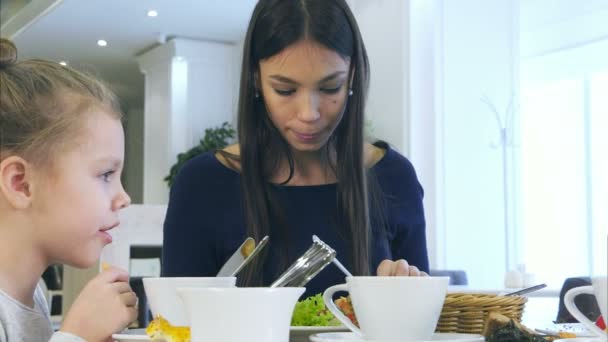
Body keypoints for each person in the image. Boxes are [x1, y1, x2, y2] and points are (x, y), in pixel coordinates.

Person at [162, 0, 429, 297]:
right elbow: (175, 327)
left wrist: (407, 297)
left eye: (330, 88)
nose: (308, 114)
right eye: (285, 90)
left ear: (352, 75)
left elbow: (422, 325)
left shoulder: (394, 177)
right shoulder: (202, 184)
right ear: (256, 79)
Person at [0, 38, 136, 341]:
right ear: (21, 183)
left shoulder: (35, 292)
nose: (124, 198)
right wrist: (77, 336)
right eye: (105, 174)